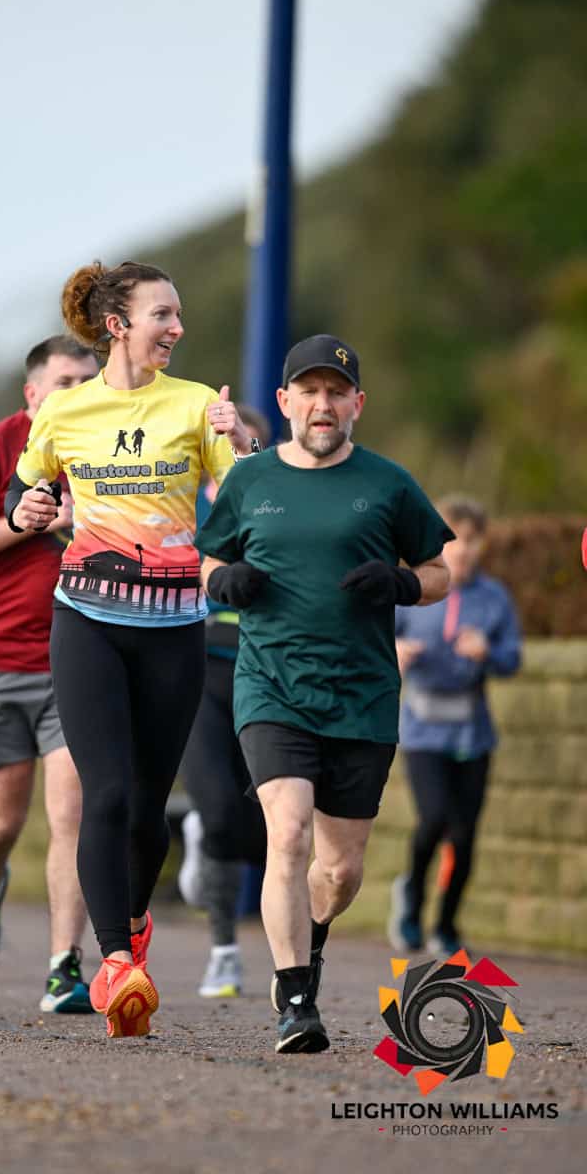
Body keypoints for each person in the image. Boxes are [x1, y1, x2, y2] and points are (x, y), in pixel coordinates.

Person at [5, 260, 254, 1038]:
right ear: (118, 325)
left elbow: (249, 508)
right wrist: (32, 507)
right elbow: (25, 493)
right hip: (85, 619)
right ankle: (115, 960)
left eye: (178, 316)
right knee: (103, 796)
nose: (176, 328)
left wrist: (239, 440)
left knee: (148, 806)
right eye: (162, 315)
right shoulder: (65, 411)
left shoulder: (195, 406)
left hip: (175, 629)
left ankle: (134, 920)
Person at [195, 333, 453, 1054]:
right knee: (289, 833)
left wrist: (404, 583)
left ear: (357, 404)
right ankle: (296, 1002)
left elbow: (440, 571)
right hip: (271, 683)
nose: (322, 403)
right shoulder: (250, 481)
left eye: (336, 392)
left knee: (337, 872)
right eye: (307, 391)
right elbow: (208, 556)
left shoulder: (390, 483)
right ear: (284, 402)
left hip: (363, 694)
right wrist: (223, 581)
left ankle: (307, 947)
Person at [0, 336, 99, 1013]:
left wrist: (81, 519)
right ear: (32, 394)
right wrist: (18, 521)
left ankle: (65, 967)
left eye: (88, 381)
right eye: (64, 382)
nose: (78, 393)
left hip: (79, 655)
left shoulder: (114, 447)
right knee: (0, 822)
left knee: (73, 815)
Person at [388, 495, 522, 956]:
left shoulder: (494, 598)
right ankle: (410, 906)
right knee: (433, 821)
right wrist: (397, 654)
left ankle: (445, 924)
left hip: (472, 732)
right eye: (454, 539)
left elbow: (512, 660)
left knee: (464, 835)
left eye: (472, 540)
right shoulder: (413, 589)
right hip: (423, 731)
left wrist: (488, 652)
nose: (463, 549)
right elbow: (378, 643)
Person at [177, 403, 271, 999]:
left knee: (262, 827)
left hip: (264, 674)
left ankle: (209, 843)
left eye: (249, 447)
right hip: (198, 673)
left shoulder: (279, 510)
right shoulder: (188, 505)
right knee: (218, 809)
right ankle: (224, 950)